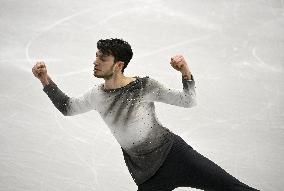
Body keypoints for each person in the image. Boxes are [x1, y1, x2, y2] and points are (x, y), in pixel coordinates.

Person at [32, 38, 260, 191]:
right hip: (147, 175)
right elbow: (67, 107)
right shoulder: (96, 95)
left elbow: (188, 101)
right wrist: (45, 79)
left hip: (177, 156)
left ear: (119, 64)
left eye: (103, 58)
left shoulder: (144, 86)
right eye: (96, 56)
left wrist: (185, 71)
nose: (95, 61)